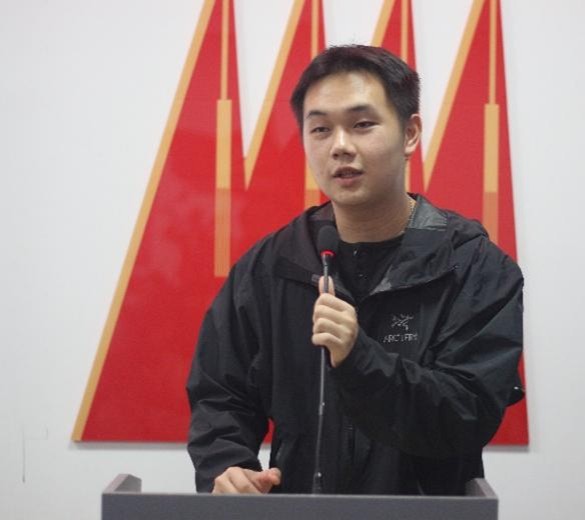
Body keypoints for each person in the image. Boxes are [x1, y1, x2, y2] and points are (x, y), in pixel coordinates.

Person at [186, 44, 524, 495]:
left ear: (410, 133)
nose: (340, 146)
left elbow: (466, 413)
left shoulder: (473, 267)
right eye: (320, 129)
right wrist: (228, 466)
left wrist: (359, 358)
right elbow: (220, 394)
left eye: (362, 125)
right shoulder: (274, 266)